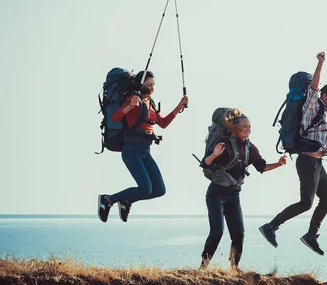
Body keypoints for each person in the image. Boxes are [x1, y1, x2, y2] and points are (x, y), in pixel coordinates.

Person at [259, 52, 327, 255]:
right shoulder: (312, 106)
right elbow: (314, 88)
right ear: (323, 96)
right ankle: (271, 226)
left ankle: (311, 235)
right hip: (307, 161)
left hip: (318, 163)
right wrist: (320, 64)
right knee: (306, 203)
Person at [98, 70, 189, 223]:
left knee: (160, 190)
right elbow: (115, 117)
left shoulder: (150, 102)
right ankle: (107, 200)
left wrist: (179, 107)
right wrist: (129, 106)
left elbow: (163, 123)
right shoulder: (133, 98)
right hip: (131, 149)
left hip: (145, 150)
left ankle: (126, 201)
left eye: (153, 85)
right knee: (145, 188)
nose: (151, 88)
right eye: (148, 85)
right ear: (140, 85)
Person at [200, 112, 286, 270]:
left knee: (239, 234)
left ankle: (234, 267)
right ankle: (203, 267)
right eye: (245, 126)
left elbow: (262, 167)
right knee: (217, 231)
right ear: (235, 128)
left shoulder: (249, 148)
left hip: (234, 195)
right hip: (216, 193)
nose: (248, 129)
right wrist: (214, 154)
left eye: (250, 126)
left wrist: (279, 164)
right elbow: (204, 163)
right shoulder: (224, 143)